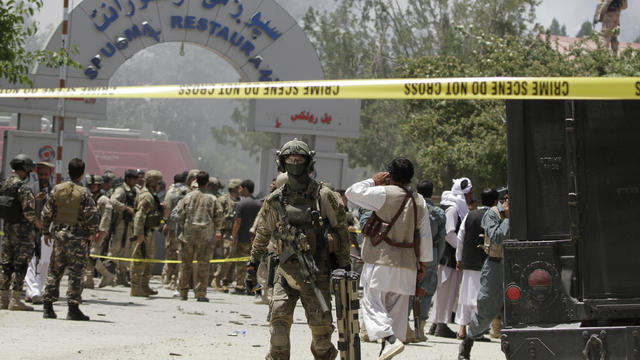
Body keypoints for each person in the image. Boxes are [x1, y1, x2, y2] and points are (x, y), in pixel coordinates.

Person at [246, 139, 350, 360]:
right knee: (278, 329)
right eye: (290, 160)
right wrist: (252, 264)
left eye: (299, 160)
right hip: (285, 273)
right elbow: (263, 233)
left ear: (308, 163)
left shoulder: (324, 195)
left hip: (317, 273)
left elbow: (341, 231)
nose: (294, 163)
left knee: (322, 335)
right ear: (282, 163)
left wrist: (344, 265)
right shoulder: (275, 200)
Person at [346, 158, 433, 360]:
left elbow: (351, 192)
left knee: (372, 303)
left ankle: (390, 340)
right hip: (408, 264)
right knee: (397, 313)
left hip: (381, 261)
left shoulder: (383, 193)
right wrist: (424, 265)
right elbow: (425, 235)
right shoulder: (419, 200)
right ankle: (389, 347)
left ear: (389, 175)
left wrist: (372, 181)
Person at [42, 158, 98, 320]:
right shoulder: (84, 193)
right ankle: (73, 309)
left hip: (59, 236)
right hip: (78, 238)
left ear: (68, 171)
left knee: (55, 271)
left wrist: (46, 231)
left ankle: (48, 307)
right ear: (82, 174)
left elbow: (46, 213)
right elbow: (92, 216)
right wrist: (91, 232)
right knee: (76, 273)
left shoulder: (57, 190)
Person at [458, 194, 510, 360]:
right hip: (496, 266)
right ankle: (468, 342)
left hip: (517, 266)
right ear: (507, 198)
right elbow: (496, 237)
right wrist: (509, 218)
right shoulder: (493, 214)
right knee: (486, 310)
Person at [429, 177, 473, 338]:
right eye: (469, 192)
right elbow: (449, 234)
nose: (471, 196)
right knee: (447, 292)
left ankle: (436, 324)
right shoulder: (453, 209)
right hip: (448, 258)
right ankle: (441, 325)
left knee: (445, 292)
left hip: (449, 257)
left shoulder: (454, 206)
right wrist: (462, 249)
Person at [406, 179, 446, 343]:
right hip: (431, 254)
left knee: (408, 288)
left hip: (410, 252)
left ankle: (405, 326)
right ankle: (420, 329)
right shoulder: (438, 212)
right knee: (427, 290)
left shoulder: (411, 208)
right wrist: (438, 258)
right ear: (432, 192)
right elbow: (442, 239)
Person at [454, 189, 498, 339]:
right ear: (495, 202)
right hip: (488, 263)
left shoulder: (470, 215)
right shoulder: (496, 217)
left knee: (466, 296)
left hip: (469, 262)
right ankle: (476, 331)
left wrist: (459, 259)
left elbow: (460, 238)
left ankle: (462, 329)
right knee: (481, 297)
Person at [0, 154, 40, 311]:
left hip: (7, 230)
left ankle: (3, 299)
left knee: (6, 265)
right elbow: (29, 212)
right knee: (20, 265)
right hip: (23, 233)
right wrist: (38, 223)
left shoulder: (4, 185)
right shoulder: (23, 188)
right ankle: (15, 299)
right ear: (24, 171)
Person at [176, 171, 222, 301]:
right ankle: (201, 293)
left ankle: (183, 292)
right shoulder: (212, 199)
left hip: (188, 235)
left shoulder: (188, 197)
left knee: (185, 264)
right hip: (205, 237)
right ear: (207, 182)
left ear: (196, 180)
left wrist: (184, 227)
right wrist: (215, 230)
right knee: (203, 265)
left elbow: (180, 214)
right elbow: (219, 217)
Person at [220, 179, 261, 294]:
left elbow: (237, 222)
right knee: (253, 263)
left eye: (240, 188)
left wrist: (233, 237)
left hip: (243, 239)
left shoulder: (241, 204)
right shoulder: (259, 204)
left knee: (241, 264)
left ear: (246, 189)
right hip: (255, 240)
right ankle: (253, 287)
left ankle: (240, 285)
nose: (239, 191)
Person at [24, 161, 55, 304]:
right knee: (31, 261)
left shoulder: (54, 191)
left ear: (50, 174)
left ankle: (34, 292)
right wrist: (35, 201)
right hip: (32, 231)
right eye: (41, 174)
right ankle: (33, 290)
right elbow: (25, 209)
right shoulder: (31, 189)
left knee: (44, 262)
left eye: (45, 174)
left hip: (48, 232)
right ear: (37, 174)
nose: (43, 177)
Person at [130, 170, 164, 297]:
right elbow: (139, 216)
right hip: (143, 233)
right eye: (158, 183)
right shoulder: (146, 196)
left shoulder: (150, 195)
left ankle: (144, 285)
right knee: (139, 259)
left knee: (149, 259)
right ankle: (136, 287)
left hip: (148, 232)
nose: (160, 186)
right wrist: (139, 234)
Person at [84, 175, 116, 289]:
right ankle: (93, 278)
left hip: (98, 231)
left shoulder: (103, 199)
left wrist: (101, 232)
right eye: (91, 185)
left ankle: (95, 277)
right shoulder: (91, 197)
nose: (93, 187)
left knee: (92, 254)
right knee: (90, 255)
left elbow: (106, 217)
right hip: (90, 230)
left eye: (95, 185)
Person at [109, 169, 139, 286]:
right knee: (116, 249)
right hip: (120, 223)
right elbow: (113, 201)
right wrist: (126, 208)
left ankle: (121, 276)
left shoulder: (136, 190)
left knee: (127, 250)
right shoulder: (121, 190)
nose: (134, 181)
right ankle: (109, 276)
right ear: (127, 179)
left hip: (131, 224)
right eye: (132, 178)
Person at [212, 178, 242, 292]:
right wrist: (218, 230)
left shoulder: (239, 200)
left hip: (234, 232)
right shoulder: (223, 200)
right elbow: (218, 216)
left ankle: (225, 280)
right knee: (227, 257)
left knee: (231, 258)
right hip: (225, 233)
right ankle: (217, 279)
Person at [162, 171, 188, 289]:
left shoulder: (171, 191)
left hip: (172, 226)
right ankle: (177, 279)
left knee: (170, 252)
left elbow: (167, 209)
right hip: (184, 228)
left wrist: (164, 222)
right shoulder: (188, 191)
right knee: (181, 253)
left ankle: (167, 278)